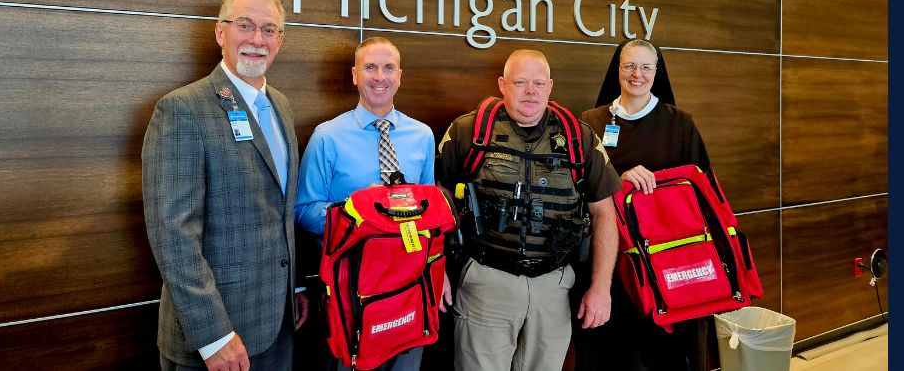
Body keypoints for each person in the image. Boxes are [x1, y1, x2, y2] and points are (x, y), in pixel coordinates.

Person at [142, 0, 308, 371]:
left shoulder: (281, 105)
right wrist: (213, 336)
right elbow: (172, 233)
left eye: (269, 29)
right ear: (220, 32)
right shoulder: (182, 109)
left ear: (280, 40)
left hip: (277, 322)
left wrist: (296, 284)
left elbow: (281, 210)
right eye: (244, 25)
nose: (257, 40)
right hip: (215, 338)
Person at [437, 49, 622, 371]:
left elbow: (605, 213)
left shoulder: (578, 138)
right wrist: (435, 271)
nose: (531, 91)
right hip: (486, 282)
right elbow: (437, 202)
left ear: (550, 86)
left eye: (538, 83)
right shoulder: (468, 132)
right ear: (502, 85)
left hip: (554, 286)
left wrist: (601, 287)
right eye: (520, 82)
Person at [294, 36, 442, 371]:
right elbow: (302, 211)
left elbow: (430, 214)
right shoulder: (327, 137)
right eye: (370, 67)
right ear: (354, 75)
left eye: (388, 68)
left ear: (399, 76)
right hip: (351, 287)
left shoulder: (422, 135)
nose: (380, 77)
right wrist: (359, 211)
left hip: (410, 283)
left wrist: (438, 272)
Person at [573, 39, 711, 371]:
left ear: (657, 72)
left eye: (646, 67)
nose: (638, 74)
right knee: (610, 353)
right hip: (611, 259)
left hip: (666, 261)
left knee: (664, 354)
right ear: (617, 70)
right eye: (630, 66)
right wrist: (620, 180)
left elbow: (702, 193)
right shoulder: (591, 122)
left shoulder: (680, 124)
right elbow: (578, 188)